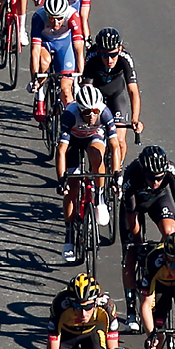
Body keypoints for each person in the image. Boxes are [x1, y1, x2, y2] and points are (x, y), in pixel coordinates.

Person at [121, 144, 175, 332]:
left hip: (158, 200)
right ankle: (131, 311)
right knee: (130, 253)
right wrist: (137, 243)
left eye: (160, 178)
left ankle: (160, 266)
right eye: (152, 178)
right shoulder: (132, 173)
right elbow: (131, 214)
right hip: (134, 203)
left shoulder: (170, 170)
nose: (156, 181)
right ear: (144, 172)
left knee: (170, 232)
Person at [56, 83, 120, 263]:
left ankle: (99, 197)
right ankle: (69, 236)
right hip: (73, 141)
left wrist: (117, 174)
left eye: (94, 112)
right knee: (72, 189)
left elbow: (115, 146)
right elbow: (61, 150)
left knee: (96, 154)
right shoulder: (70, 114)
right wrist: (61, 180)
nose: (92, 115)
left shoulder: (104, 112)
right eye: (87, 112)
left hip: (93, 137)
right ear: (79, 109)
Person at [81, 27, 142, 161]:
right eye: (105, 55)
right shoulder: (92, 57)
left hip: (116, 94)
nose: (110, 60)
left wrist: (135, 119)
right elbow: (86, 89)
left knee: (120, 141)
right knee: (93, 139)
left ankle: (117, 170)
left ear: (119, 49)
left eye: (113, 55)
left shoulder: (125, 58)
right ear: (99, 51)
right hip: (96, 96)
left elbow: (133, 91)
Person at [28, 0, 85, 114]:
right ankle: (40, 96)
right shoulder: (38, 17)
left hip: (64, 45)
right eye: (51, 18)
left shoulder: (73, 16)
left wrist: (81, 75)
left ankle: (68, 120)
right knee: (43, 64)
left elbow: (79, 50)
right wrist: (34, 78)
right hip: (46, 43)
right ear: (46, 14)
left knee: (66, 90)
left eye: (59, 18)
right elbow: (35, 51)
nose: (55, 23)